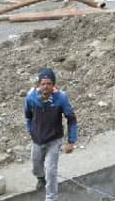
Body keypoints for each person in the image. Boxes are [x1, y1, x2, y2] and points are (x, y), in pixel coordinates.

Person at [25, 68, 77, 199]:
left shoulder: (61, 98)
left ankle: (51, 198)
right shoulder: (31, 98)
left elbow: (71, 119)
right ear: (39, 85)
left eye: (49, 83)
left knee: (51, 171)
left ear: (53, 84)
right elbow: (28, 116)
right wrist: (31, 131)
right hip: (37, 140)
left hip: (54, 140)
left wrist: (71, 142)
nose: (46, 87)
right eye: (43, 84)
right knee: (37, 166)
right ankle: (40, 178)